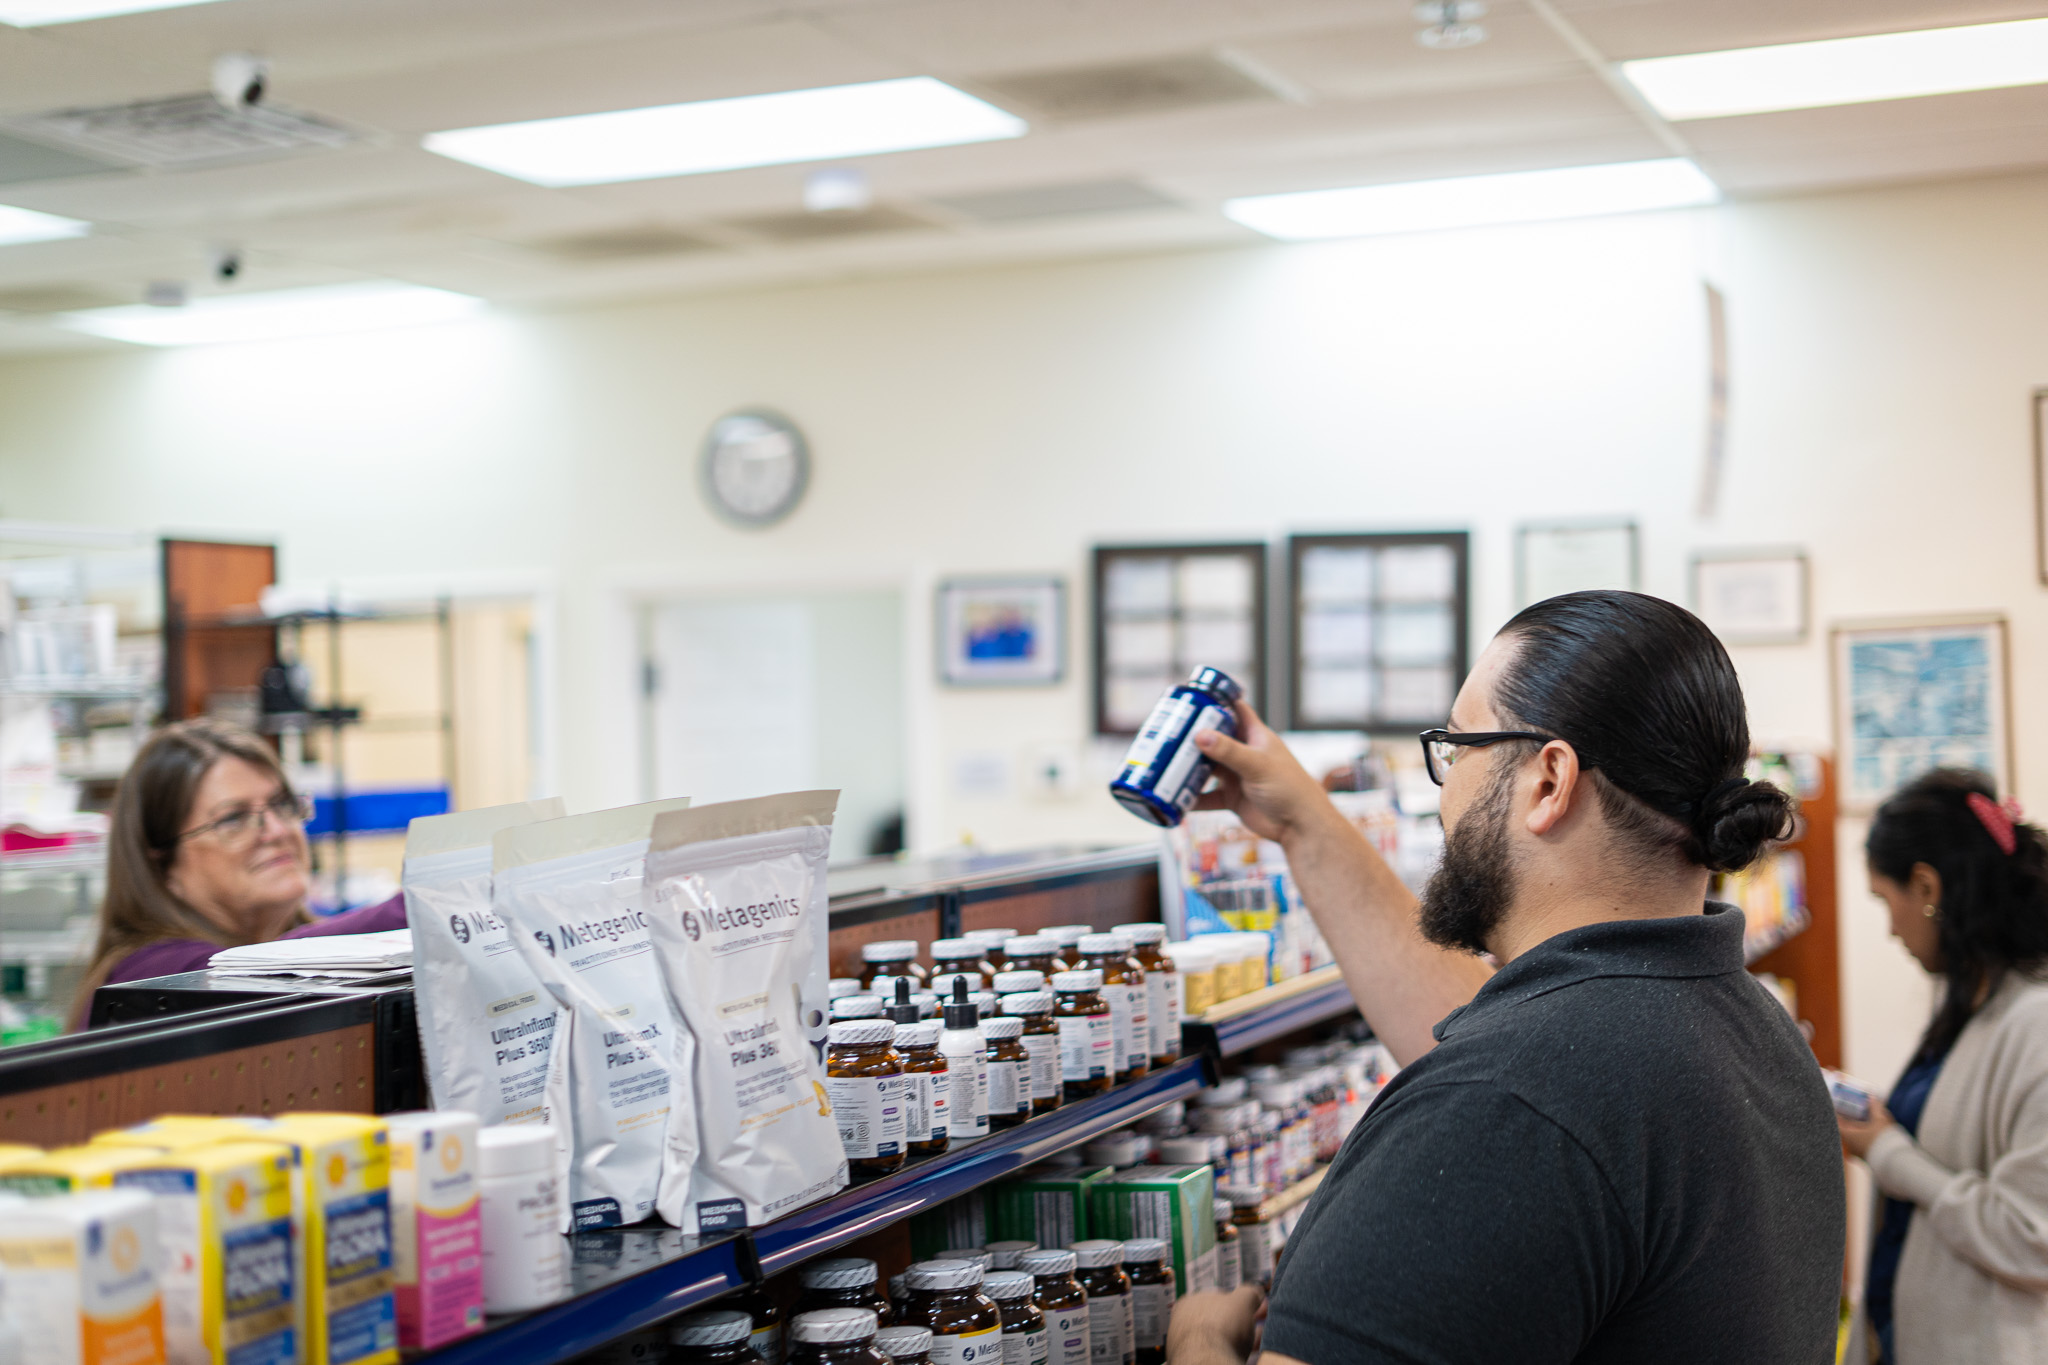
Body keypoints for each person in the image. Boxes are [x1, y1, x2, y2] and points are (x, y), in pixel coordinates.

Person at [1166, 590, 1843, 1365]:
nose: (1445, 792)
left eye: (1457, 747)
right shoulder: (1739, 1027)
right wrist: (1301, 822)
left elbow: (1511, 1097)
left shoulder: (1513, 1104)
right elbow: (1511, 1049)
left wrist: (1197, 1339)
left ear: (1549, 780)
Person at [1839, 769, 2048, 1364]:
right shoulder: (1972, 999)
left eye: (1886, 901)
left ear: (1926, 886)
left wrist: (1886, 1151)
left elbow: (2032, 1239)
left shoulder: (2035, 1024)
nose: (1890, 929)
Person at [72, 718, 405, 1027]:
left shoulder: (294, 950)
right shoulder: (150, 977)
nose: (277, 830)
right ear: (162, 862)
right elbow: (249, 973)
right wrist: (417, 905)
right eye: (233, 818)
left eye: (282, 804)